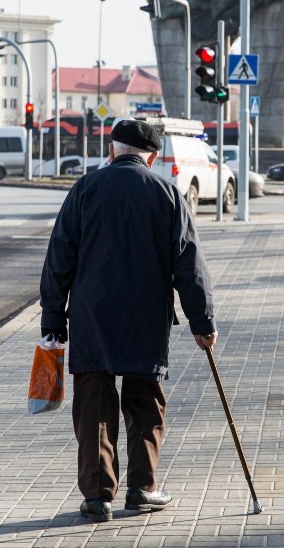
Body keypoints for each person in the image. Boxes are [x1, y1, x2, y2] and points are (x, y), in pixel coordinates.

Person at [39, 119, 218, 523]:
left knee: (93, 405)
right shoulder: (167, 194)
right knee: (144, 402)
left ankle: (98, 496)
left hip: (90, 315)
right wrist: (201, 322)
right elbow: (189, 265)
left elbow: (59, 257)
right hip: (145, 316)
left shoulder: (85, 189)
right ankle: (142, 488)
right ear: (152, 157)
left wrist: (53, 316)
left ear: (112, 151)